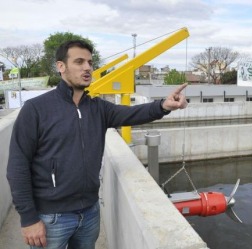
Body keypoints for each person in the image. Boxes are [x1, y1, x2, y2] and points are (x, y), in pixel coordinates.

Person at [7, 40, 188, 249]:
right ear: (61, 66)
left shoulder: (98, 108)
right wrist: (29, 218)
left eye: (90, 62)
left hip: (89, 212)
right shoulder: (36, 109)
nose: (87, 67)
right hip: (51, 217)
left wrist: (164, 106)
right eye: (79, 61)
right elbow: (17, 166)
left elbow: (133, 113)